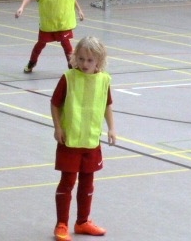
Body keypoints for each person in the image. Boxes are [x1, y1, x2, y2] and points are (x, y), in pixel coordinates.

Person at [50, 36, 116, 241]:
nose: (84, 64)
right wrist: (58, 127)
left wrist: (111, 128)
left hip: (91, 141)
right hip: (70, 140)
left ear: (99, 61)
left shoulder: (104, 80)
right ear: (75, 57)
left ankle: (82, 222)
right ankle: (61, 224)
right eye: (81, 59)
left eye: (89, 60)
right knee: (67, 182)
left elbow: (107, 105)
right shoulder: (68, 78)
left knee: (88, 183)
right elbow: (55, 103)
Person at [16, 0, 84, 73]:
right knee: (41, 44)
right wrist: (22, 7)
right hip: (48, 23)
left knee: (66, 44)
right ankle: (32, 62)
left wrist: (79, 10)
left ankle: (72, 67)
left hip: (63, 22)